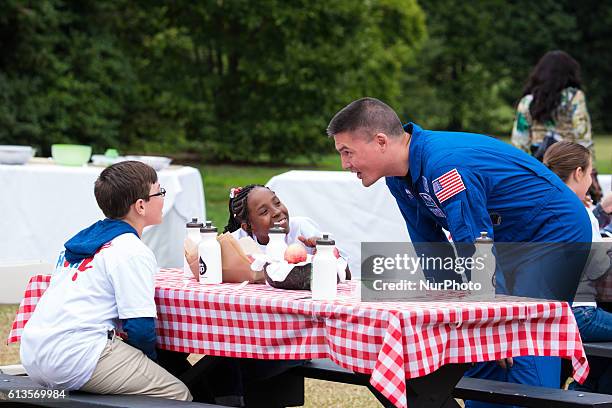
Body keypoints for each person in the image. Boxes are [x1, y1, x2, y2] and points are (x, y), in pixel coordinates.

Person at [326, 97, 592, 407]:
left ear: (381, 141)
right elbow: (430, 248)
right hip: (502, 236)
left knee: (522, 335)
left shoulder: (444, 165)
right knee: (477, 339)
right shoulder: (398, 178)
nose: (345, 164)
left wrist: (496, 319)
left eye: (348, 152)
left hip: (553, 230)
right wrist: (450, 314)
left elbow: (472, 243)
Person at [19, 161, 192, 401]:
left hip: (34, 353)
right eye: (160, 192)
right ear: (141, 205)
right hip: (75, 357)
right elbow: (140, 328)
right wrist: (152, 364)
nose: (163, 198)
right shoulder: (131, 250)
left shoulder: (82, 242)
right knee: (177, 393)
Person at [543, 141, 612, 394]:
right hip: (579, 313)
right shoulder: (578, 212)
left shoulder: (543, 205)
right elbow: (599, 267)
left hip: (552, 310)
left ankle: (586, 391)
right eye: (591, 172)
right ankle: (595, 395)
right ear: (578, 173)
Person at [510, 50, 602, 203]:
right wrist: (591, 172)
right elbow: (583, 136)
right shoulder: (574, 97)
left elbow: (519, 144)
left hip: (539, 167)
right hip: (570, 166)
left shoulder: (528, 101)